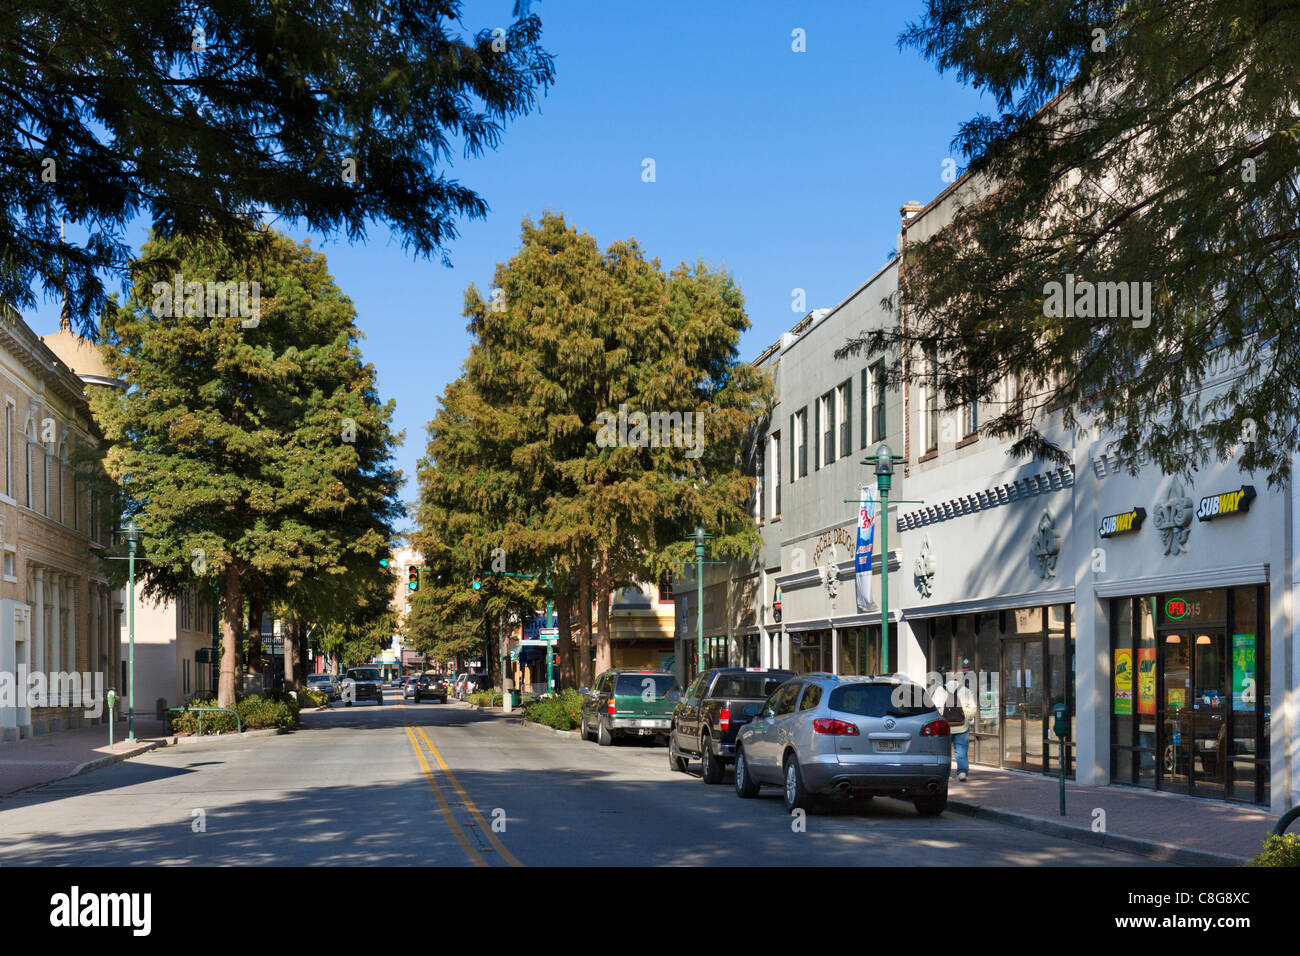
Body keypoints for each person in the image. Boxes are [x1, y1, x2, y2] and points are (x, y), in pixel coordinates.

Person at [934, 669, 976, 781]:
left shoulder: (939, 690)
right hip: (961, 727)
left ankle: (943, 773)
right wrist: (966, 718)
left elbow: (935, 708)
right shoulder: (965, 690)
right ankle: (962, 772)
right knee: (961, 751)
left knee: (944, 751)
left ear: (947, 678)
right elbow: (972, 708)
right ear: (958, 678)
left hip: (945, 728)